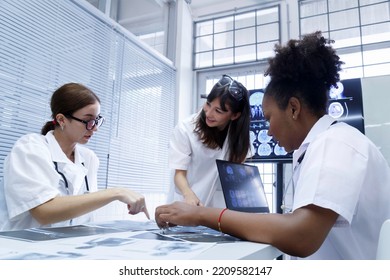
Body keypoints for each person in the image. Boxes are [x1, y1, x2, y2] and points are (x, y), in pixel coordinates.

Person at [155, 31, 390, 259]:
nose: (268, 130)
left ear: (294, 109)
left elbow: (302, 235)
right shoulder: (325, 144)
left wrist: (202, 215)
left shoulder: (335, 145)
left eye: (269, 118)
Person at [0, 82, 150, 231]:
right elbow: (43, 212)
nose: (95, 128)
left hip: (65, 247)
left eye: (97, 120)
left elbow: (84, 214)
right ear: (61, 120)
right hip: (22, 246)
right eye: (88, 120)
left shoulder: (89, 158)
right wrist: (116, 193)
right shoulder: (30, 148)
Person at [167, 74, 251, 207]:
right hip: (187, 202)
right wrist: (188, 195)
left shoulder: (237, 138)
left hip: (217, 210)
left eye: (218, 111)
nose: (209, 113)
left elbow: (237, 177)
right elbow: (179, 174)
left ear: (234, 115)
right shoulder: (186, 129)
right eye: (208, 104)